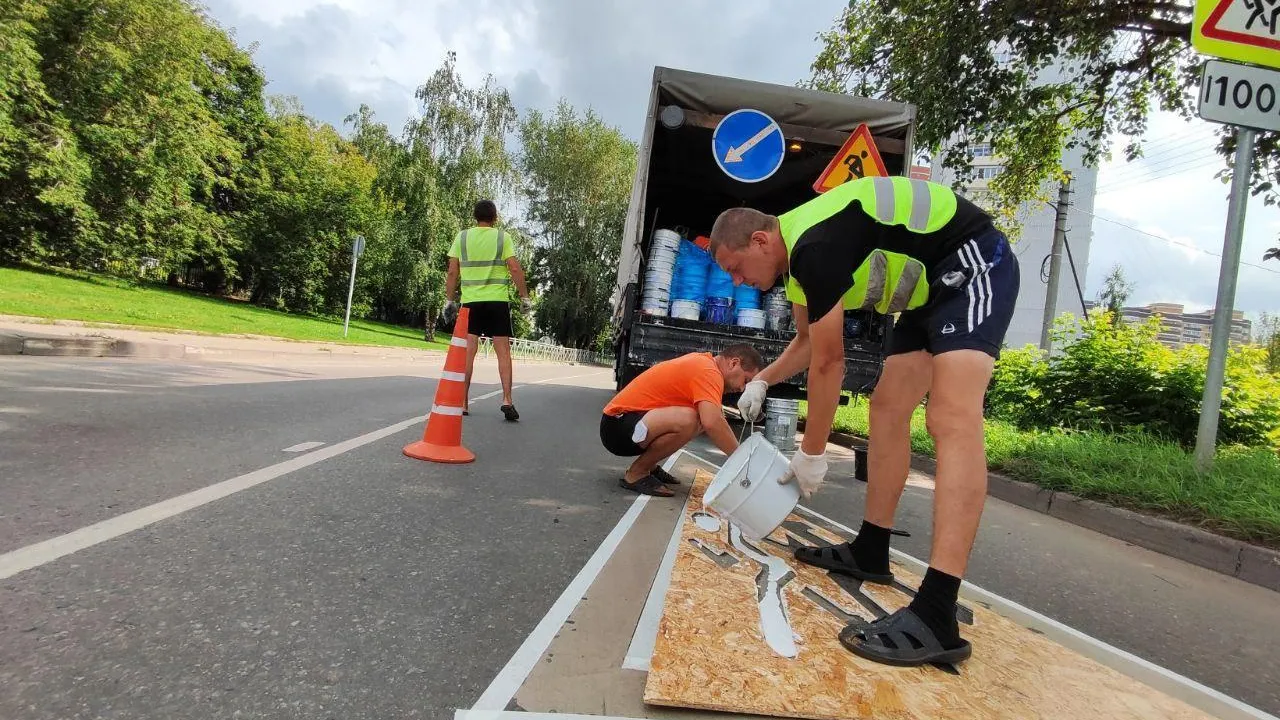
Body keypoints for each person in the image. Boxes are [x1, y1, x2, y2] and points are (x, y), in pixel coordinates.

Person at [708, 175, 1020, 667]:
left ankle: (938, 611)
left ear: (760, 241)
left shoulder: (814, 244)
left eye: (736, 268)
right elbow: (809, 342)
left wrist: (810, 454)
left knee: (951, 415)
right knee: (888, 407)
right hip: (928, 292)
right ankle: (872, 549)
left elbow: (831, 363)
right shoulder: (795, 263)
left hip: (973, 259)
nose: (737, 282)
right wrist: (762, 380)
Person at [600, 345, 763, 497]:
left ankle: (650, 466)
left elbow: (714, 419)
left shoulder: (705, 364)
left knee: (701, 417)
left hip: (626, 424)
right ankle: (636, 473)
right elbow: (712, 422)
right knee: (692, 419)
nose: (742, 389)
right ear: (734, 363)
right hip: (617, 426)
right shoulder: (708, 371)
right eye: (746, 381)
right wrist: (744, 461)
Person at [445, 200, 531, 421]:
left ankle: (463, 402)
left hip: (470, 302)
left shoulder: (462, 237)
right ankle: (507, 399)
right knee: (503, 352)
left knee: (468, 352)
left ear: (475, 216)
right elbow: (513, 267)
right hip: (497, 302)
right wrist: (524, 297)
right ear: (495, 217)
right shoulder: (503, 237)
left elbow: (453, 272)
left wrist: (449, 300)